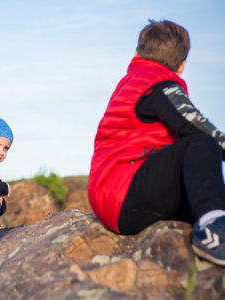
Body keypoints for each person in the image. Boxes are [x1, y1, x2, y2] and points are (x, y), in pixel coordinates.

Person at [88, 20, 225, 266]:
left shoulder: (134, 81)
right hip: (124, 191)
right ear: (182, 66)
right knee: (201, 144)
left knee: (206, 188)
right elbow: (196, 126)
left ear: (136, 54)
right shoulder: (156, 84)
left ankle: (212, 220)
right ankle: (213, 235)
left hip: (117, 194)